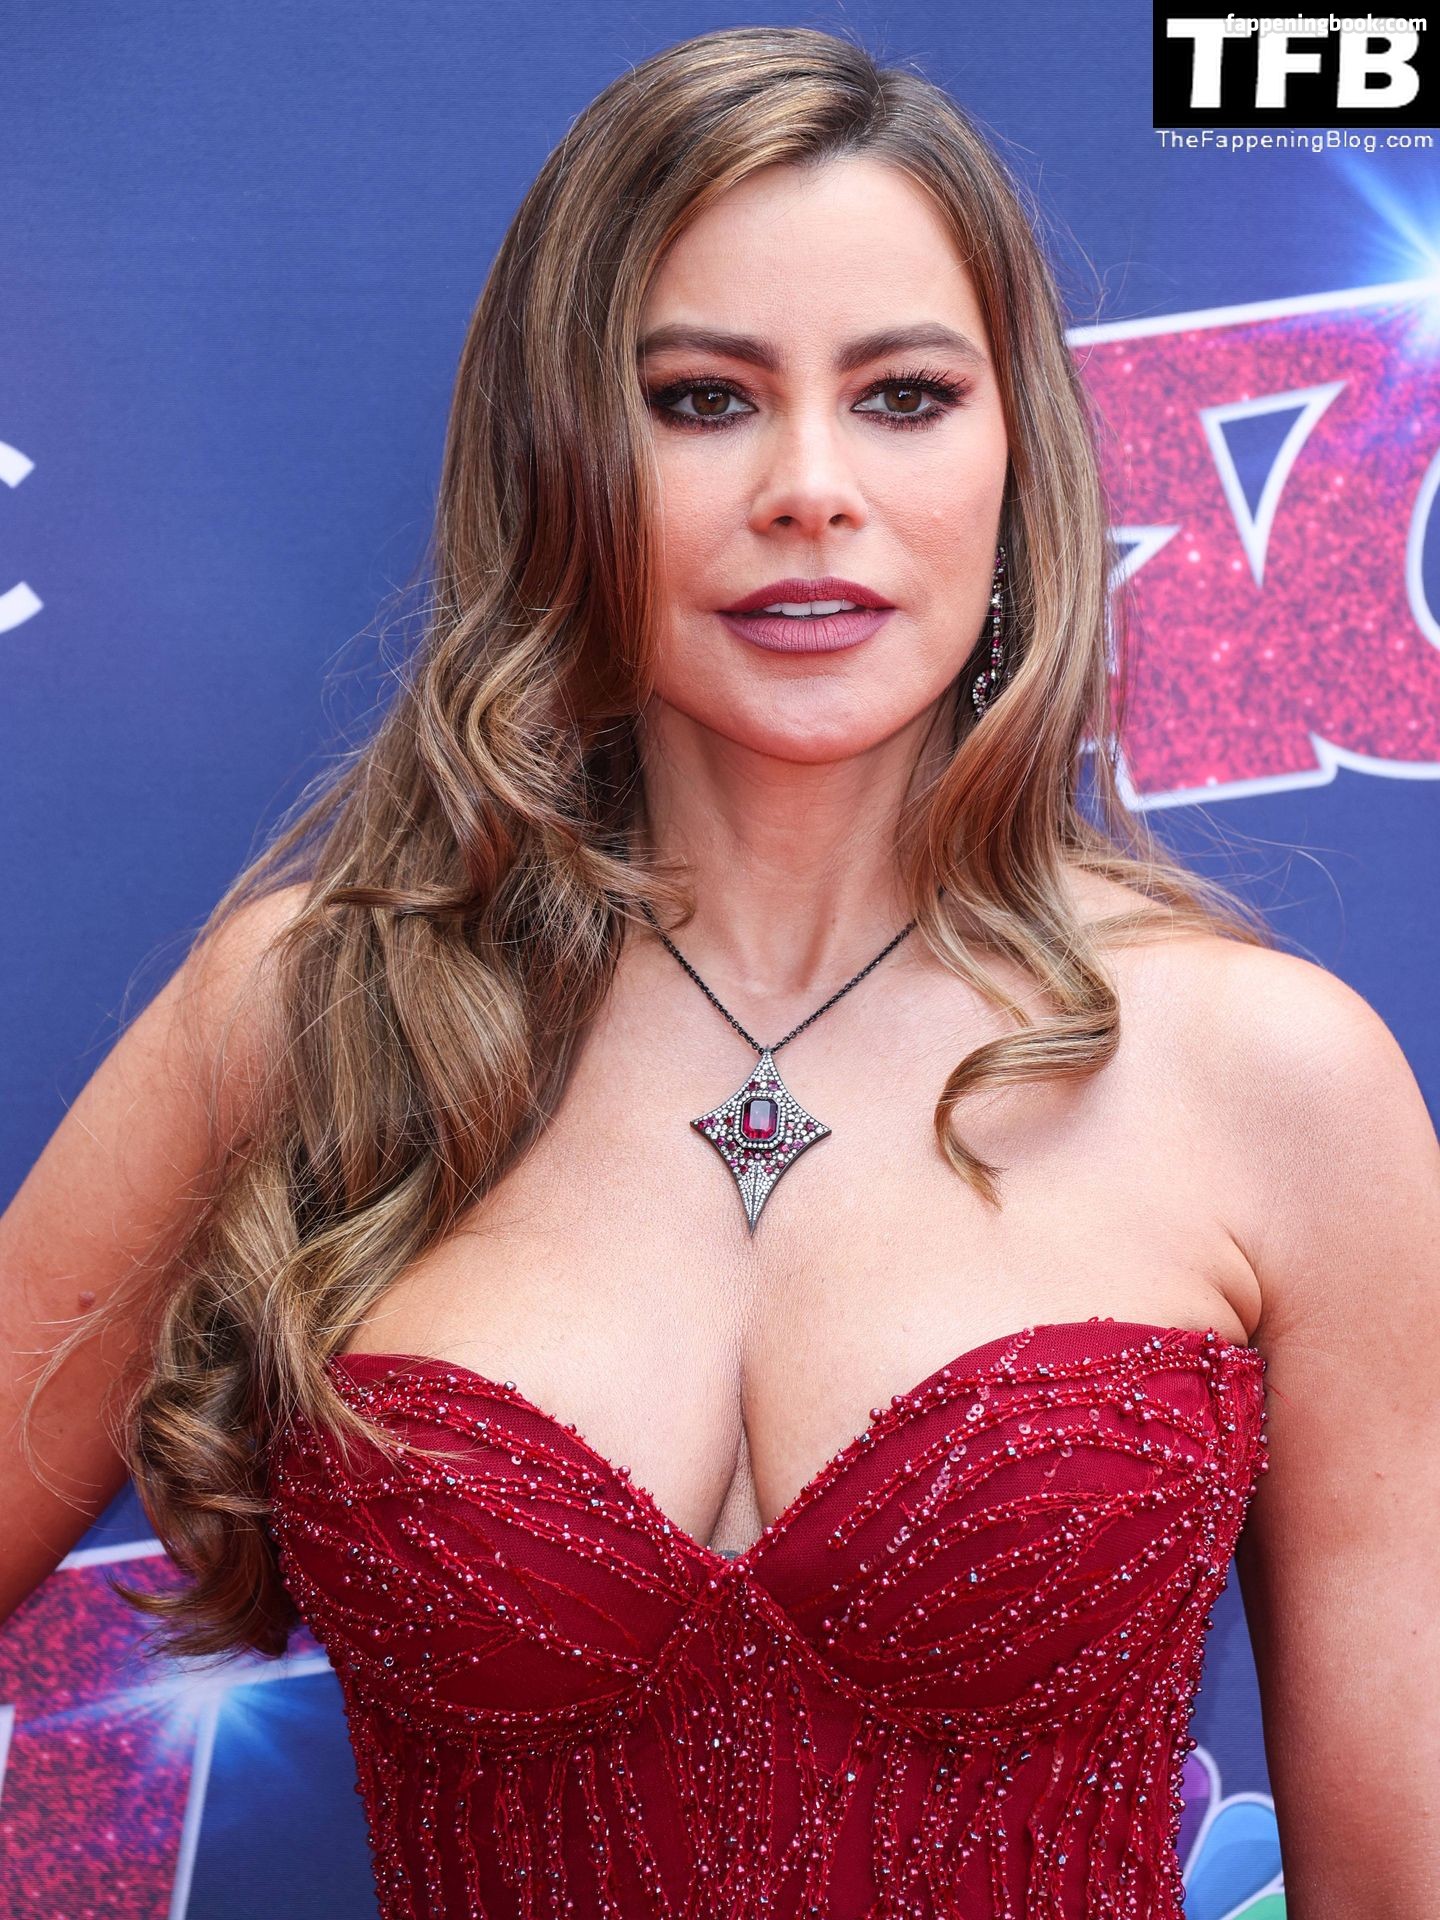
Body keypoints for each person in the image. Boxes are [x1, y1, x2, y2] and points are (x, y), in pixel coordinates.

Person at [3, 23, 1436, 1919]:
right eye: (700, 399)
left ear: (1018, 454)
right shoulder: (316, 1008)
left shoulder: (1279, 1078)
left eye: (906, 395)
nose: (810, 487)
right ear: (557, 458)